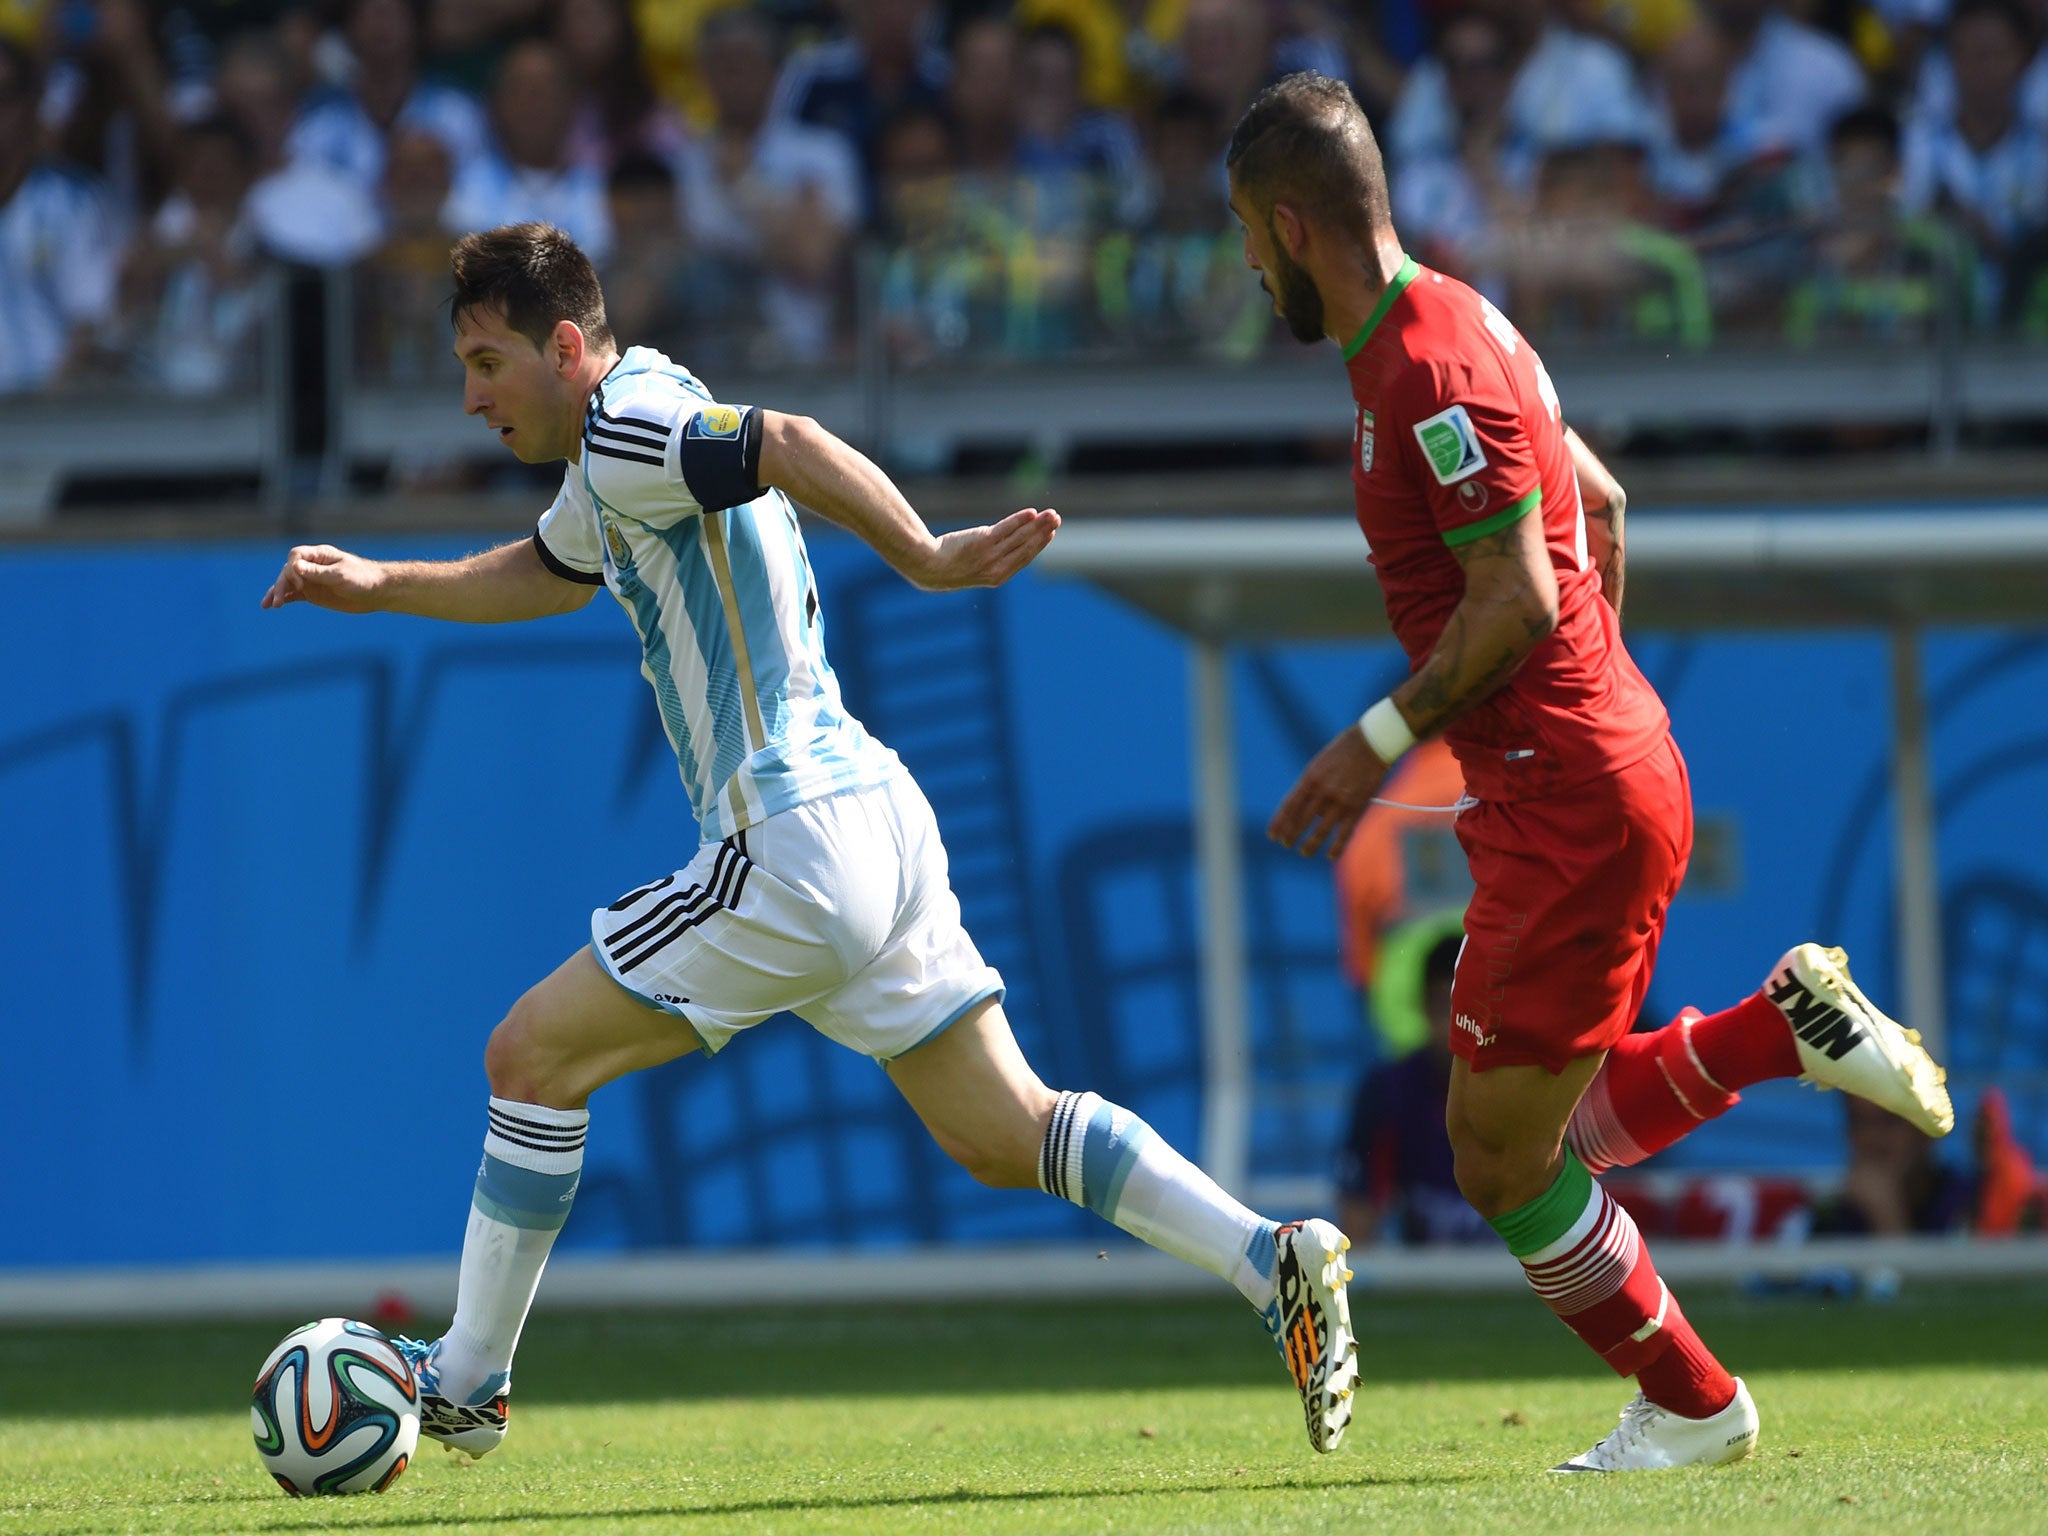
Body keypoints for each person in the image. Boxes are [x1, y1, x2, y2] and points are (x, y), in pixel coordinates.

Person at [257, 220, 1360, 1457]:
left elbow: (785, 442)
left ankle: (465, 1378)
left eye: (486, 362)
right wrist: (380, 581)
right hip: (875, 816)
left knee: (528, 1056)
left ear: (565, 347)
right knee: (1004, 1132)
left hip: (787, 833)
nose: (468, 398)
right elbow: (546, 569)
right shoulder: (626, 437)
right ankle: (1268, 1260)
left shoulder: (625, 431)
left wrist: (928, 557)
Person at [1225, 72, 1954, 1473]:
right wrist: (1582, 711)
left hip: (1570, 800)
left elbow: (1518, 600)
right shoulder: (1463, 320)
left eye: (1250, 243)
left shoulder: (1423, 369)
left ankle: (1695, 1403)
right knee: (1549, 1126)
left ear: (1292, 223)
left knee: (1498, 1161)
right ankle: (1777, 1031)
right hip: (1586, 776)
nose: (1252, 273)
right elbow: (1600, 507)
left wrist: (1377, 743)